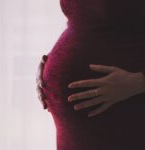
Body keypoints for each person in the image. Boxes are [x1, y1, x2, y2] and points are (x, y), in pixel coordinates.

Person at [36, 0, 145, 149]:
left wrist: (138, 82)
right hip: (72, 132)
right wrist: (50, 62)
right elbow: (85, 22)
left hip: (122, 116)